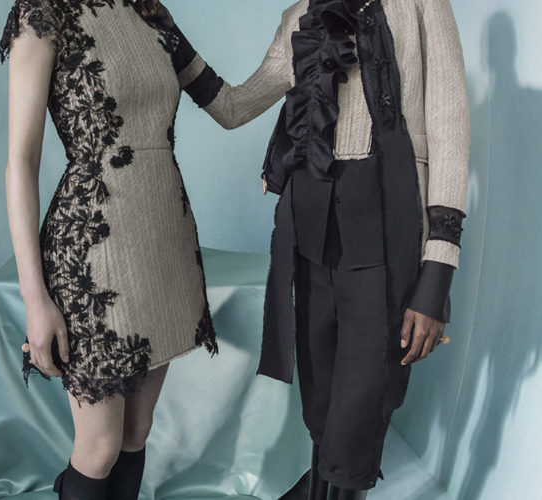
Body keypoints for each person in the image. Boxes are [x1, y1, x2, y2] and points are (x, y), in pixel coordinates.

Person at [139, 0, 469, 498]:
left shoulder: (421, 6)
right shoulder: (298, 17)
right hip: (308, 230)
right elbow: (233, 106)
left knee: (362, 405)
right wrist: (171, 34)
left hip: (386, 225)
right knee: (319, 404)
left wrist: (438, 271)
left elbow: (450, 129)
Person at [0, 0, 220, 498]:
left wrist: (299, 39)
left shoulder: (150, 12)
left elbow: (229, 105)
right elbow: (20, 162)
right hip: (92, 254)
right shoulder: (42, 12)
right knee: (99, 449)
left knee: (136, 433)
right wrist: (34, 298)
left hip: (164, 246)